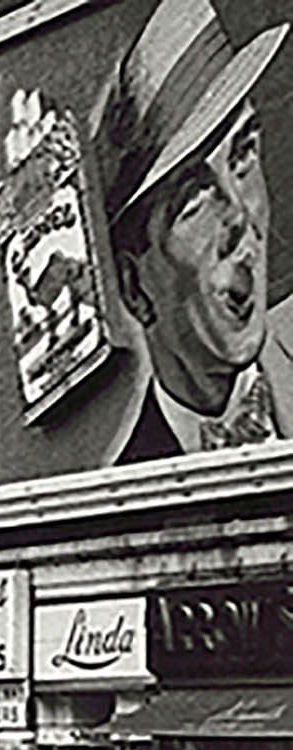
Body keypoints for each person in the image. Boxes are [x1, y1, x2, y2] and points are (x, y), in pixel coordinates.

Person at [100, 0, 292, 463]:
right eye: (193, 200)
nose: (239, 216)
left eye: (243, 156)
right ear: (135, 288)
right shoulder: (126, 474)